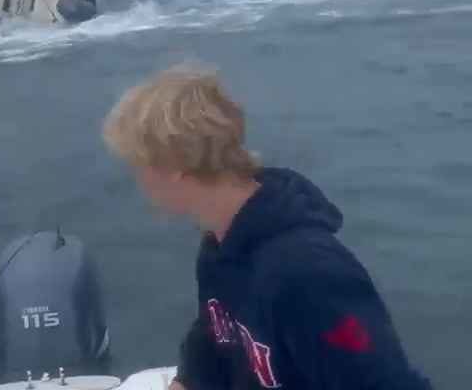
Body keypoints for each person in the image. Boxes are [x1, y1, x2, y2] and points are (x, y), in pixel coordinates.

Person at [102, 65, 432, 390]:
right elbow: (215, 336)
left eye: (139, 164)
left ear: (174, 165)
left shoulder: (307, 272)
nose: (138, 180)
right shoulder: (221, 245)